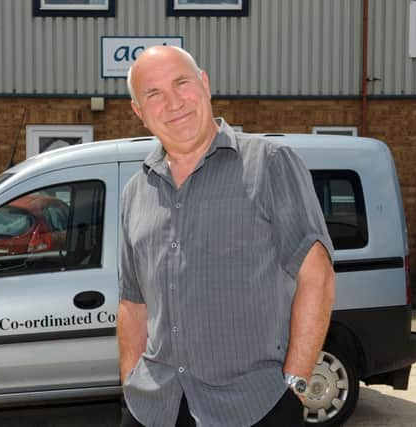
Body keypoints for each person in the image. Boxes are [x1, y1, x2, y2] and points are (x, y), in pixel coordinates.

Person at [118, 46, 336, 427]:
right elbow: (132, 303)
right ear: (139, 112)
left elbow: (316, 275)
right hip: (156, 408)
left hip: (254, 406)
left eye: (181, 83)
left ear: (204, 84)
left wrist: (296, 384)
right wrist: (130, 384)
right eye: (153, 94)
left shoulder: (269, 164)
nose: (172, 103)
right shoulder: (136, 192)